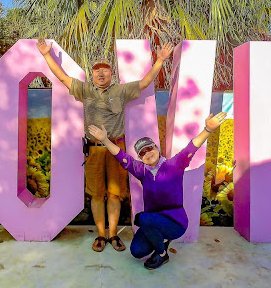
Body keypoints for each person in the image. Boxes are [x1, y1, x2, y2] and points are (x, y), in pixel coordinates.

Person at [36, 38, 174, 252]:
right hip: (93, 151)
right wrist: (46, 54)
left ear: (112, 74)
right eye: (96, 70)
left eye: (105, 70)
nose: (101, 74)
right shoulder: (85, 90)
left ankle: (112, 235)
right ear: (92, 74)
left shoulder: (121, 90)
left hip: (116, 151)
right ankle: (101, 234)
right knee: (96, 194)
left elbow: (145, 82)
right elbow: (62, 77)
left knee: (115, 194)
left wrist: (160, 60)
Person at [87, 111, 228, 269]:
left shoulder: (175, 165)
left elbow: (192, 147)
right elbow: (122, 157)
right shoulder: (141, 171)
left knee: (143, 218)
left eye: (149, 148)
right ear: (140, 158)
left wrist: (208, 130)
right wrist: (105, 140)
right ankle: (163, 240)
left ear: (156, 147)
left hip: (175, 222)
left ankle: (162, 253)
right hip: (153, 222)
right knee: (137, 251)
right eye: (142, 153)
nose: (147, 153)